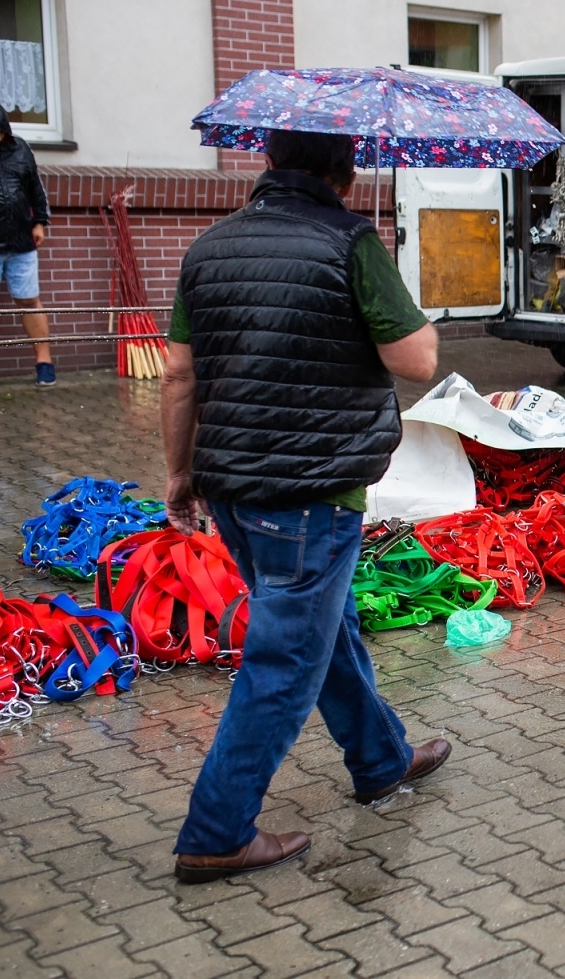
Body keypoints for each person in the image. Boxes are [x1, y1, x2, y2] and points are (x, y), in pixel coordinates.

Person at [162, 129, 448, 883]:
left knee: (328, 626)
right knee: (286, 659)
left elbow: (179, 380)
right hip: (312, 494)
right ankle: (216, 831)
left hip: (230, 487)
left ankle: (381, 758)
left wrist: (178, 471)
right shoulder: (352, 241)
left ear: (268, 161)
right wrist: (415, 311)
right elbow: (415, 360)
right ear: (345, 174)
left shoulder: (209, 247)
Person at [0, 100, 54, 387]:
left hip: (21, 241)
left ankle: (44, 362)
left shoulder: (20, 149)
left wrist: (39, 221)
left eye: (0, 131)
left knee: (29, 301)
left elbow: (35, 188)